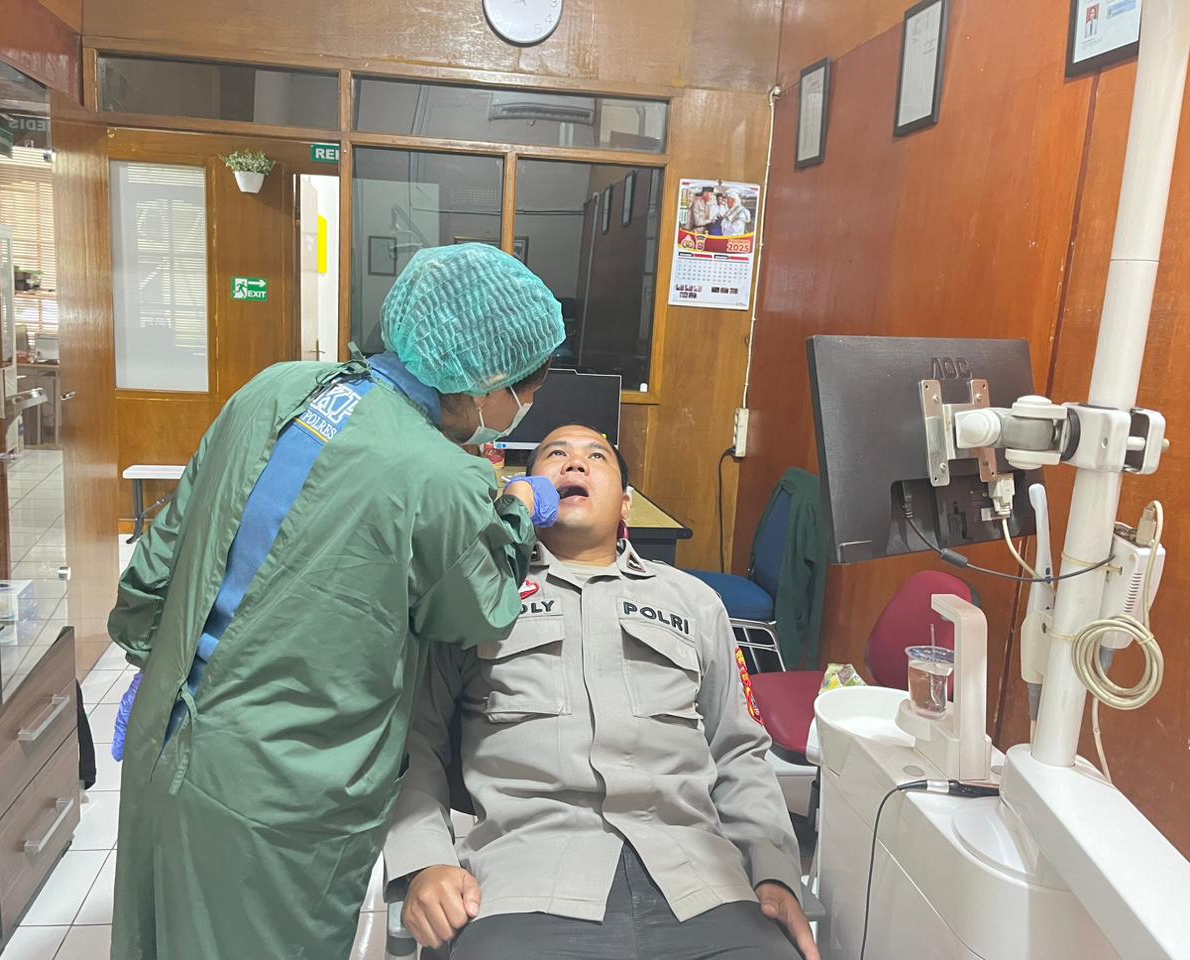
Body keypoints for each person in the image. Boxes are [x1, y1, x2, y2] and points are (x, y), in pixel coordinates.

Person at [107, 243, 566, 960]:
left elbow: (160, 556)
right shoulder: (442, 478)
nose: (522, 410)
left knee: (155, 935)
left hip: (165, 734)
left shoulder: (275, 387)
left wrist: (161, 669)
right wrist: (515, 511)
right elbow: (475, 610)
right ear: (489, 380)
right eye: (525, 393)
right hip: (278, 796)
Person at [384, 424, 819, 960]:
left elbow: (739, 750)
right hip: (523, 886)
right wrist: (424, 863)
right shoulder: (476, 599)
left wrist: (773, 871)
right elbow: (414, 743)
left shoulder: (695, 603)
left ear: (626, 505)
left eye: (597, 457)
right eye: (555, 454)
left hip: (702, 883)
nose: (574, 464)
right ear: (527, 493)